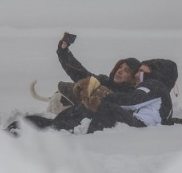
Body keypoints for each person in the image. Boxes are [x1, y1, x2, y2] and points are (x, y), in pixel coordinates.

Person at [10, 34, 141, 132]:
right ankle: (6, 132)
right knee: (33, 124)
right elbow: (80, 73)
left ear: (133, 78)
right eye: (120, 67)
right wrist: (63, 52)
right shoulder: (103, 81)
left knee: (47, 128)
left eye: (126, 71)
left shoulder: (131, 97)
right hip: (71, 115)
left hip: (80, 125)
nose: (120, 71)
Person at [86, 59, 179, 133]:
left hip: (141, 126)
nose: (136, 75)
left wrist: (105, 97)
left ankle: (92, 139)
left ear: (153, 74)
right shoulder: (158, 89)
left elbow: (132, 101)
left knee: (107, 107)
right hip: (141, 124)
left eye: (141, 71)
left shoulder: (154, 84)